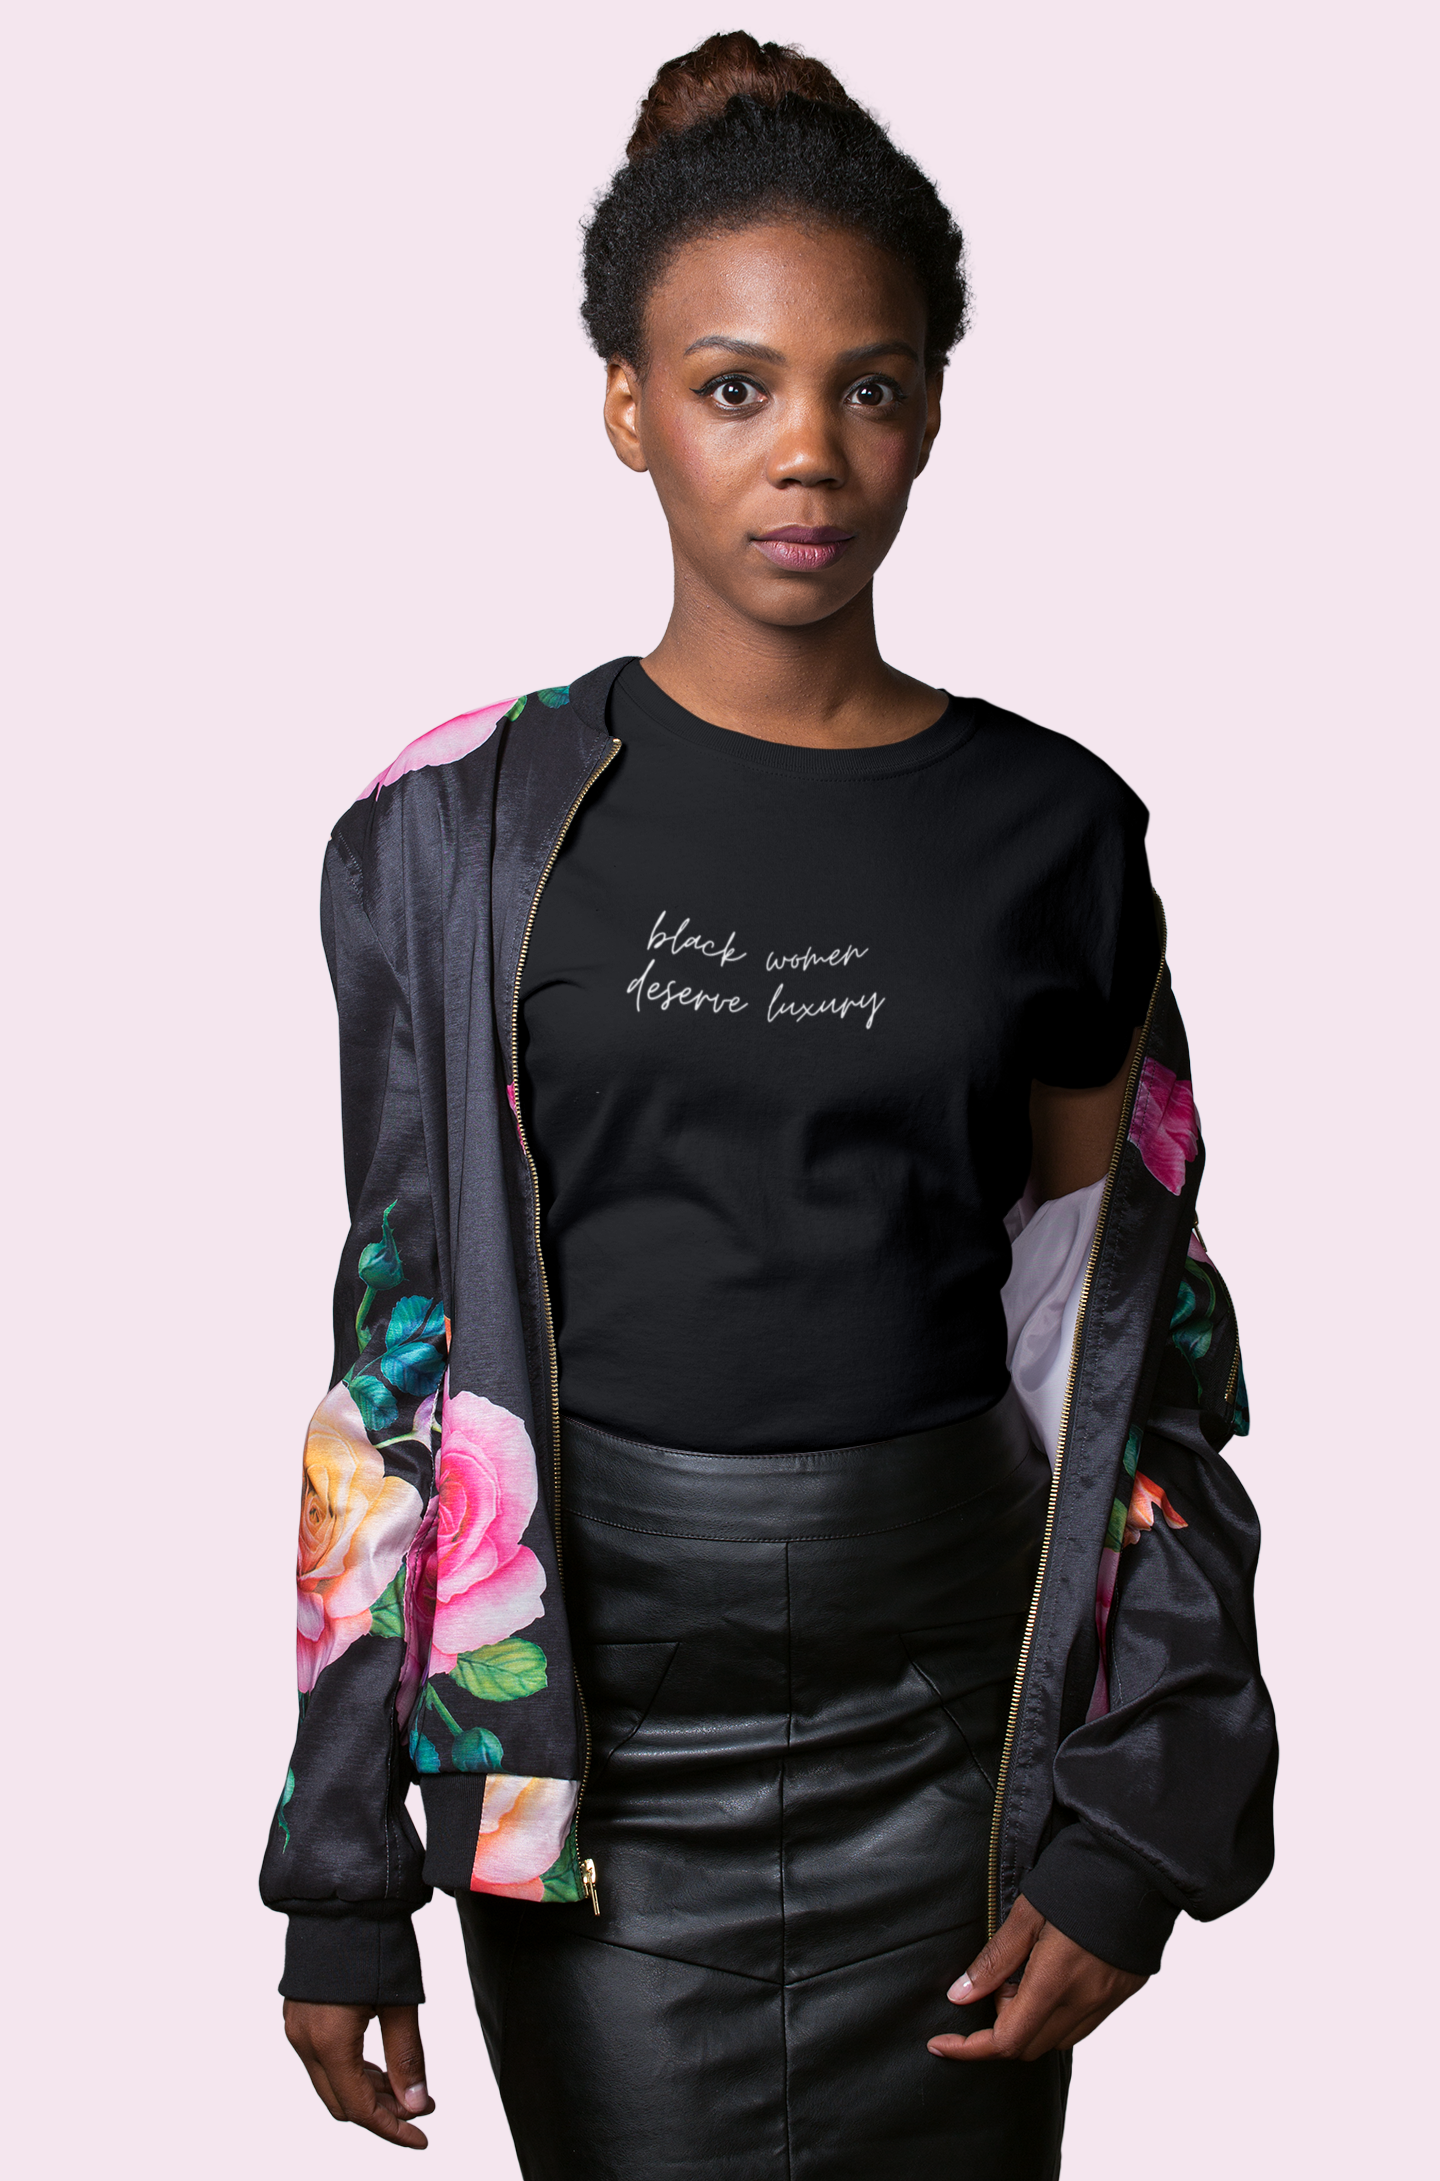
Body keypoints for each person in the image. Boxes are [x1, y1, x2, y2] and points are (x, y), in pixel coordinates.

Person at [263, 33, 1276, 2178]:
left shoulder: (1057, 831)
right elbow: (398, 1355)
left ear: (931, 409)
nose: (808, 450)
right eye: (735, 387)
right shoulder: (449, 830)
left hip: (956, 1732)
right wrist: (340, 1857)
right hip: (591, 1753)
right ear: (628, 405)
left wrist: (1140, 1815)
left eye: (869, 386)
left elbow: (1127, 1345)